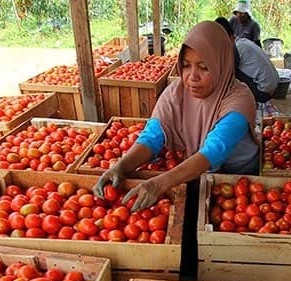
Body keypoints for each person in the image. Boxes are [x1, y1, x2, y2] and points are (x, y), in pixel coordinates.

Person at [93, 20, 258, 213]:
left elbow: (213, 151)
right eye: (186, 65)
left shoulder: (239, 99)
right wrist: (121, 166)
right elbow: (152, 137)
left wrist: (158, 184)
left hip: (238, 179)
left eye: (204, 68)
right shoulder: (176, 92)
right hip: (195, 172)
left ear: (221, 64)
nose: (192, 76)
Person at [215, 17, 278, 104]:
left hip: (263, 93)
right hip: (273, 87)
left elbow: (228, 74)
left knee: (230, 72)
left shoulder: (236, 48)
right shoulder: (242, 42)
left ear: (228, 36)